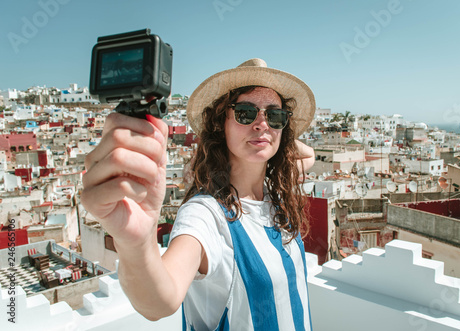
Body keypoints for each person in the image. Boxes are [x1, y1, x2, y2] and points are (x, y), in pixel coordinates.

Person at [81, 58, 316, 330]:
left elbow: (306, 155)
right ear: (220, 124)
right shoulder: (206, 214)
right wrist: (136, 245)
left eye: (275, 115)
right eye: (245, 113)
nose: (262, 123)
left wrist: (275, 132)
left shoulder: (274, 192)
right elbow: (160, 300)